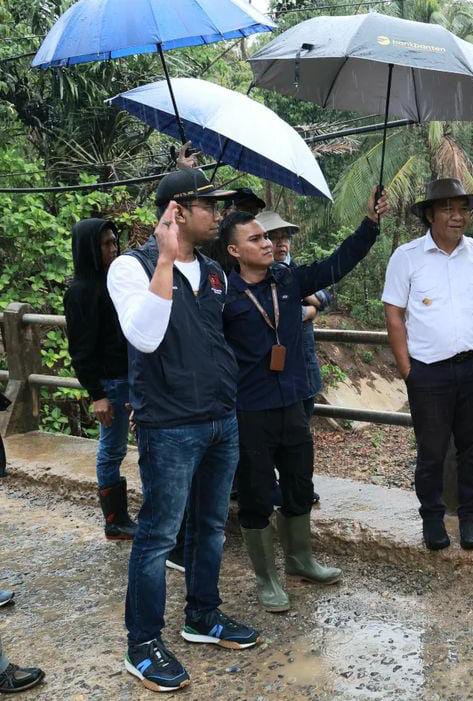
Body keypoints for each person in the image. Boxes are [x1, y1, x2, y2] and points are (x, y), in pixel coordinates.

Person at [108, 168, 259, 692]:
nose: (218, 216)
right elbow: (145, 339)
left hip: (221, 419)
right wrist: (167, 258)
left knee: (211, 526)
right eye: (208, 206)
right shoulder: (131, 267)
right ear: (176, 210)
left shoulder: (216, 272)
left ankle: (203, 615)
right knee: (158, 536)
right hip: (169, 426)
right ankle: (142, 643)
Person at [220, 188, 387, 613]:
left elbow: (336, 265)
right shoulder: (222, 297)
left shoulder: (288, 280)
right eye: (256, 239)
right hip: (250, 409)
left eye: (267, 237)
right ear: (234, 250)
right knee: (257, 493)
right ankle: (266, 576)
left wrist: (369, 225)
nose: (267, 243)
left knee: (299, 482)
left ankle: (299, 559)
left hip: (292, 401)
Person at [382, 178, 473, 551]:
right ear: (430, 215)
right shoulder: (407, 256)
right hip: (429, 372)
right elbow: (394, 314)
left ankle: (470, 515)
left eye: (462, 208)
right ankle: (432, 518)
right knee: (432, 450)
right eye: (448, 209)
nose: (457, 216)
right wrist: (408, 372)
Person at [63, 218, 137, 541]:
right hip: (109, 383)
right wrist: (97, 394)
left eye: (114, 242)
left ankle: (122, 517)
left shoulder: (114, 282)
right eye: (106, 244)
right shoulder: (80, 292)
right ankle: (115, 519)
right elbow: (80, 350)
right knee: (112, 450)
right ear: (89, 249)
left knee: (137, 443)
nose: (113, 248)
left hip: (130, 376)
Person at [255, 210, 331, 506]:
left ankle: (296, 483)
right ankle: (275, 483)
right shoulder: (254, 277)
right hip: (271, 370)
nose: (280, 243)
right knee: (276, 428)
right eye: (273, 237)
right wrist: (306, 308)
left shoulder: (295, 270)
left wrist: (306, 304)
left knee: (302, 423)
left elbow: (326, 297)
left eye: (284, 237)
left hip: (304, 361)